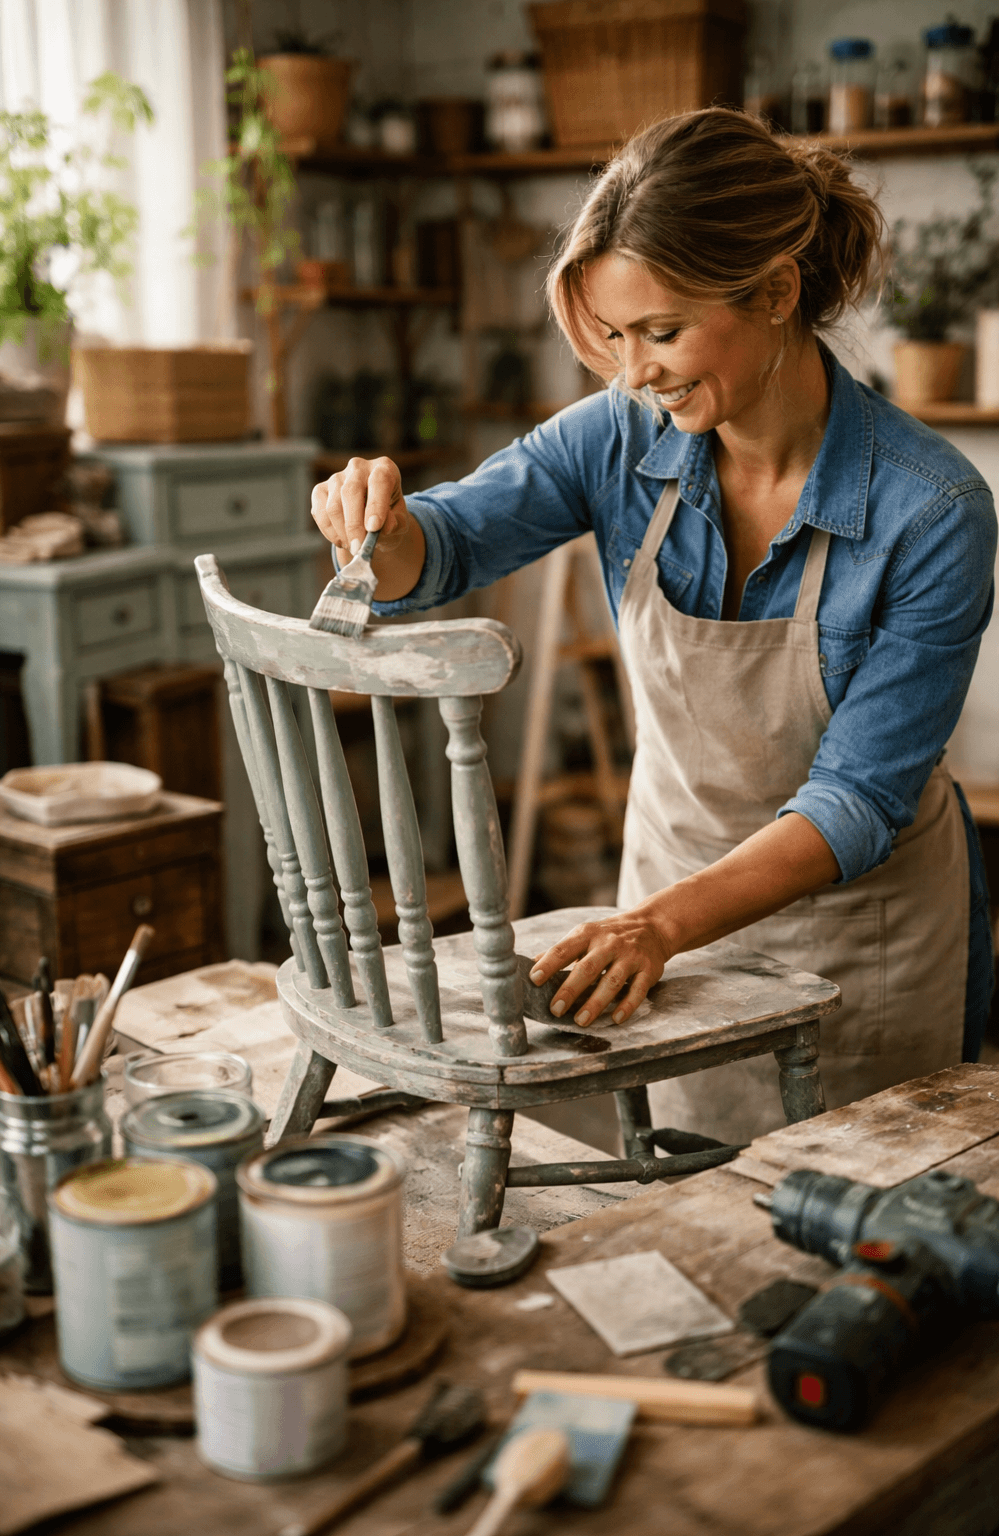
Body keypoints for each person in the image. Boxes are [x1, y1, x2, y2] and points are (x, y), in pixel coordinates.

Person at [311, 108, 997, 1143]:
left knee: (861, 1235)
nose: (634, 372)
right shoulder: (620, 437)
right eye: (614, 338)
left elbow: (857, 800)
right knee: (690, 1202)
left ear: (774, 291)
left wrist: (656, 926)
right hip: (667, 908)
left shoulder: (930, 509)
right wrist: (383, 523)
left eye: (662, 332)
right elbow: (444, 548)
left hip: (867, 937)